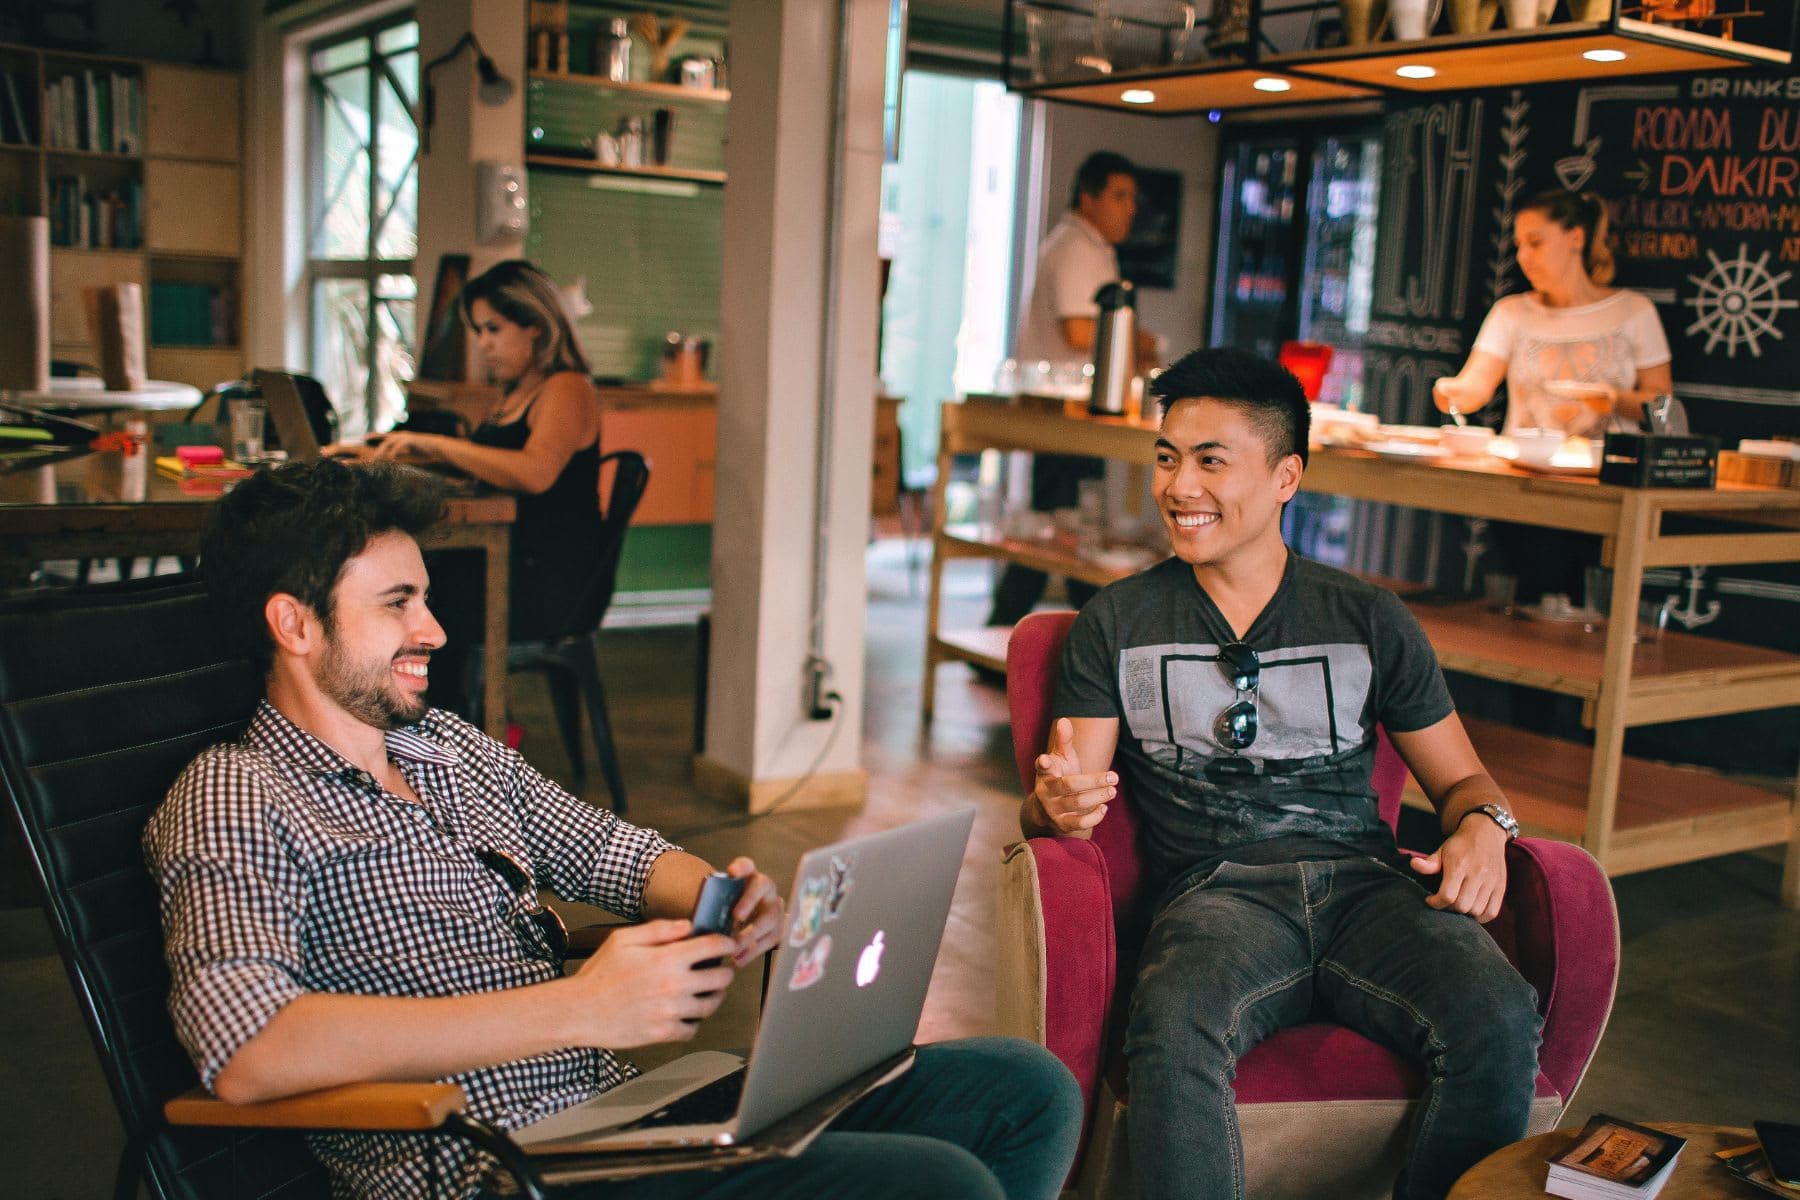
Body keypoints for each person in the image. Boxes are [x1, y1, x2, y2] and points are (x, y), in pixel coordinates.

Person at [145, 459, 1083, 1200]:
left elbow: (605, 849)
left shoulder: (444, 748)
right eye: (398, 604)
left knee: (1023, 1089)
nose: (434, 630)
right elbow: (247, 1049)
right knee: (939, 1184)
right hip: (494, 1169)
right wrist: (581, 1008)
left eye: (425, 598)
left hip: (621, 1116)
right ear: (294, 624)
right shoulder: (237, 793)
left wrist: (720, 897)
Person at [1024, 348, 1542, 1200]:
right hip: (1215, 896)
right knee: (1174, 1024)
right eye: (1167, 458)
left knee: (1496, 1013)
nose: (1177, 487)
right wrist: (1049, 809)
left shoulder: (1367, 616)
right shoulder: (1116, 623)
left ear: (1286, 477)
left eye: (1210, 461)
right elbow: (1062, 802)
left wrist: (1487, 828)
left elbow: (1465, 784)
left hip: (1371, 890)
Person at [332, 259, 606, 719]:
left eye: (493, 329)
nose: (484, 344)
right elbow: (492, 467)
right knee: (401, 586)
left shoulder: (568, 388)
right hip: (512, 558)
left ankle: (432, 729)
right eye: (479, 331)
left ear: (536, 326)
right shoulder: (518, 391)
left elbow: (534, 472)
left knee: (412, 598)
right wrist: (397, 451)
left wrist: (434, 444)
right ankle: (405, 724)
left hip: (545, 580)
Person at [988, 151, 1160, 630]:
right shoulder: (1076, 248)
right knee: (1067, 533)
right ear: (1088, 197)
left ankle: (1070, 637)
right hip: (1065, 414)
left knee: (1067, 530)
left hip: (1076, 414)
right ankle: (1081, 639)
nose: (1130, 209)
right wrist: (1142, 341)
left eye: (1133, 199)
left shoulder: (1089, 247)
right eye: (1119, 196)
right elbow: (1081, 332)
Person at [1432, 189, 1673, 436]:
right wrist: (1451, 392)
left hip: (1607, 468)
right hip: (1522, 466)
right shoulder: (1510, 312)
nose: (1523, 257)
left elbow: (1662, 404)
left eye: (1535, 243)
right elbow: (1476, 387)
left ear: (1576, 238)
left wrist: (1614, 398)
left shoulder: (1634, 310)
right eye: (1519, 245)